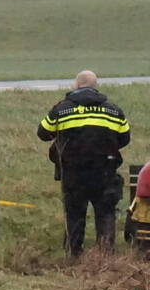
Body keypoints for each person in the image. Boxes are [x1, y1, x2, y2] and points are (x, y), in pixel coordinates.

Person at [37, 70, 130, 256]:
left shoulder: (62, 109)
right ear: (95, 86)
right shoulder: (113, 110)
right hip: (105, 172)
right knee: (105, 213)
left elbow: (43, 133)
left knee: (74, 215)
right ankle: (105, 256)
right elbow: (125, 138)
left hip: (73, 172)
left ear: (77, 85)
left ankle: (74, 255)